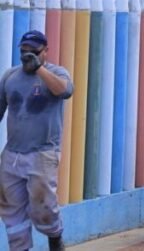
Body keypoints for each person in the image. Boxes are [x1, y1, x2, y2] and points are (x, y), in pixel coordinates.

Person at [0, 31, 73, 251]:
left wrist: (39, 69)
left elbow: (65, 91)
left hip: (43, 153)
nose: (28, 56)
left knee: (43, 207)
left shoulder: (57, 73)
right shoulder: (10, 77)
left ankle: (55, 238)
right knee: (10, 208)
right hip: (12, 155)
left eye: (33, 52)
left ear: (45, 51)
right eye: (24, 52)